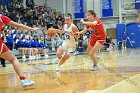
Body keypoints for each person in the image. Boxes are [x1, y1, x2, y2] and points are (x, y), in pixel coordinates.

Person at [0, 14, 38, 86]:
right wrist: (32, 29)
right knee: (13, 59)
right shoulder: (1, 17)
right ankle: (23, 80)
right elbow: (17, 25)